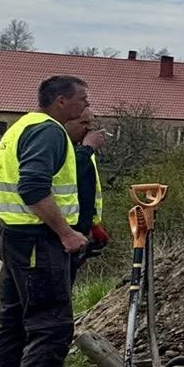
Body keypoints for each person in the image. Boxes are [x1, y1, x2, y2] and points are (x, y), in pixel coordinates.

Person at [0, 75, 92, 367]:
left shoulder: (21, 127)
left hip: (15, 236)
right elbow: (32, 187)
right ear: (61, 101)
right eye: (82, 99)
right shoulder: (48, 132)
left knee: (13, 324)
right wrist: (67, 233)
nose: (86, 105)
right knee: (51, 327)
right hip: (37, 240)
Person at [66, 106, 112, 274]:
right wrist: (86, 150)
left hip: (79, 232)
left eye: (90, 124)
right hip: (60, 234)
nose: (88, 129)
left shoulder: (82, 151)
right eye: (83, 123)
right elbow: (71, 178)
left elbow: (86, 193)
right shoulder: (69, 150)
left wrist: (93, 225)